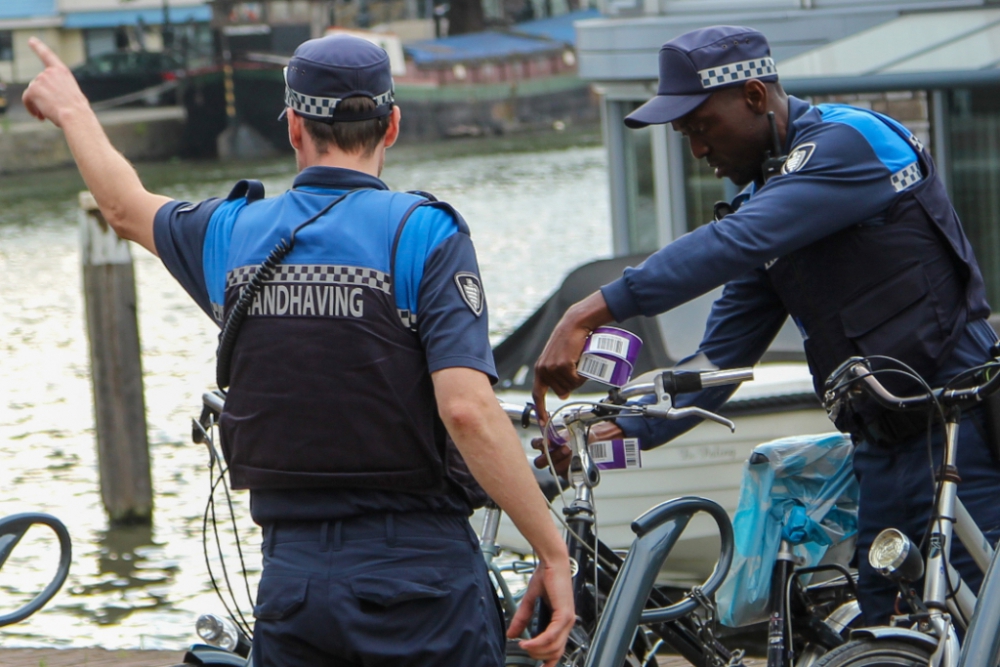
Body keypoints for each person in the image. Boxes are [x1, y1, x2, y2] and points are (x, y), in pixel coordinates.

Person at [23, 34, 573, 666]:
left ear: (292, 128)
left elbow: (122, 207)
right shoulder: (425, 233)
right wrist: (550, 550)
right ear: (392, 124)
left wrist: (73, 109)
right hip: (420, 580)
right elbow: (467, 410)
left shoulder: (231, 234)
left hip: (294, 584)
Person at [531, 25, 1000, 627]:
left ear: (754, 96)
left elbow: (737, 240)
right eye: (684, 136)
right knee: (890, 633)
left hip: (960, 434)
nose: (697, 150)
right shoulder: (772, 206)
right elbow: (715, 367)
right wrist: (611, 436)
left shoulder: (851, 143)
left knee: (981, 622)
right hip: (881, 450)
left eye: (701, 127)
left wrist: (587, 311)